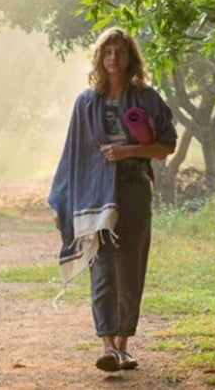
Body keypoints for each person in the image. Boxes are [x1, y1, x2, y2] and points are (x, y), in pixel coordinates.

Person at [48, 27, 177, 373]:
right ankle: (106, 345)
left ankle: (124, 345)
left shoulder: (147, 99)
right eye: (108, 53)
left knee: (130, 268)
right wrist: (62, 201)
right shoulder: (86, 103)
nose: (113, 59)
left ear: (130, 58)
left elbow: (167, 145)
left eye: (120, 52)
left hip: (133, 189)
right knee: (102, 268)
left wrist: (128, 151)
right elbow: (72, 155)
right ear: (99, 58)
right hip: (94, 196)